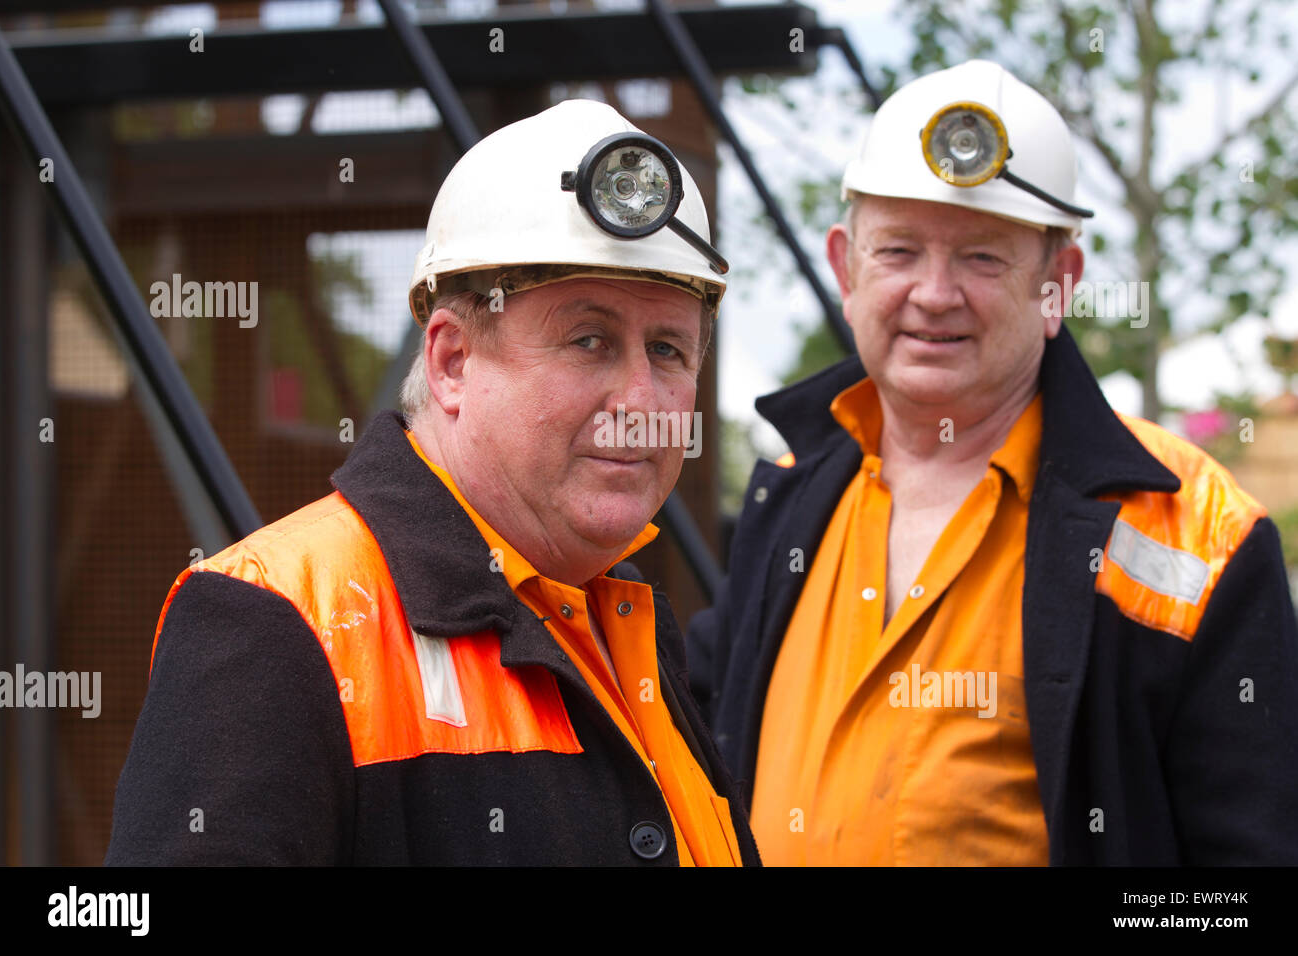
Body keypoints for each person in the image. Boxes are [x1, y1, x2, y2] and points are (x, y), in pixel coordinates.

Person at [106, 99, 759, 866]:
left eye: (669, 351)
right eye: (589, 340)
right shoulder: (277, 623)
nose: (641, 401)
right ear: (452, 361)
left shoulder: (620, 624)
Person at [687, 60, 1298, 865]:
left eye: (983, 258)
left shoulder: (1199, 536)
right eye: (899, 251)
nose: (934, 294)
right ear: (845, 267)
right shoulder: (791, 494)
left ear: (1060, 284)